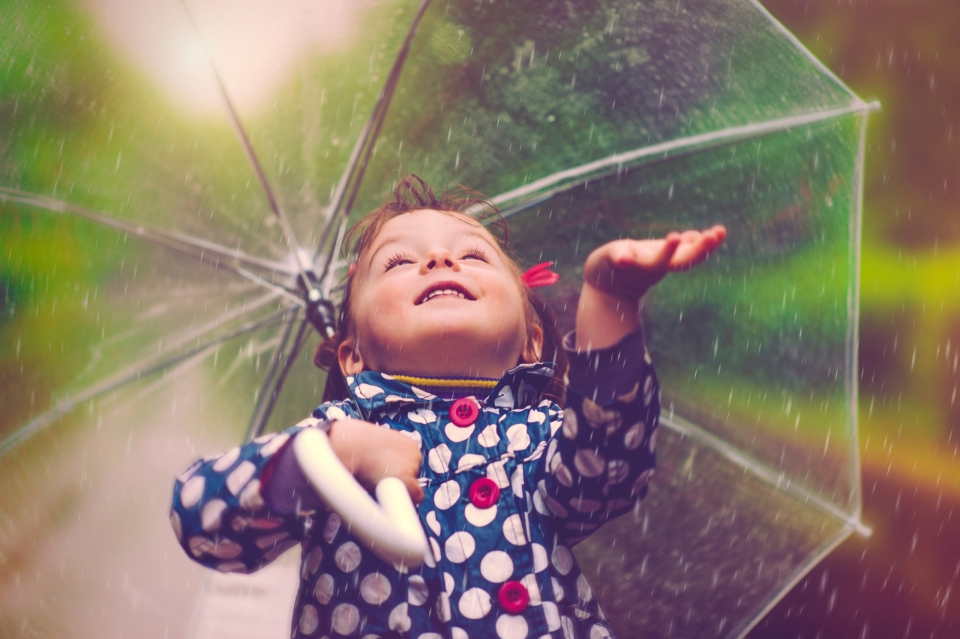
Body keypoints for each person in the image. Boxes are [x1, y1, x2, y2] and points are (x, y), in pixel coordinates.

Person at [170, 176, 726, 639]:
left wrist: (610, 303)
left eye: (473, 256)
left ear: (532, 340)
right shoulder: (335, 440)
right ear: (352, 356)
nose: (439, 259)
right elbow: (201, 517)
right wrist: (325, 459)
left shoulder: (537, 437)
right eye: (396, 264)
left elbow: (607, 469)